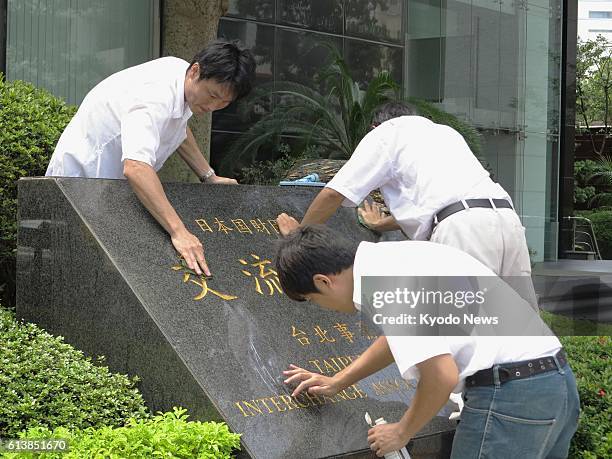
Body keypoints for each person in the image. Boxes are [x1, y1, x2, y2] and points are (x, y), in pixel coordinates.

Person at [276, 225, 579, 458]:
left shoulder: (389, 282)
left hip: (512, 398)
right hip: (555, 384)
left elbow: (441, 374)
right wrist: (338, 382)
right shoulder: (398, 259)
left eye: (312, 300)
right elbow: (400, 339)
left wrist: (401, 431)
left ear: (323, 282)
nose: (323, 308)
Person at [276, 102, 534, 296]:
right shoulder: (444, 133)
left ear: (375, 128)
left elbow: (333, 193)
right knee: (518, 329)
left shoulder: (386, 133)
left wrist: (297, 239)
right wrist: (380, 224)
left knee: (459, 330)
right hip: (506, 220)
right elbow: (436, 203)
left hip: (464, 231)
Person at [46, 40, 256, 276]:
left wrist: (208, 176)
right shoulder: (155, 94)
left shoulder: (181, 76)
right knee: (89, 273)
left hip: (108, 188)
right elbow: (136, 166)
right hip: (79, 183)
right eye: (213, 95)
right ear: (195, 71)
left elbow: (177, 127)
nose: (213, 107)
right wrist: (179, 232)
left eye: (224, 103)